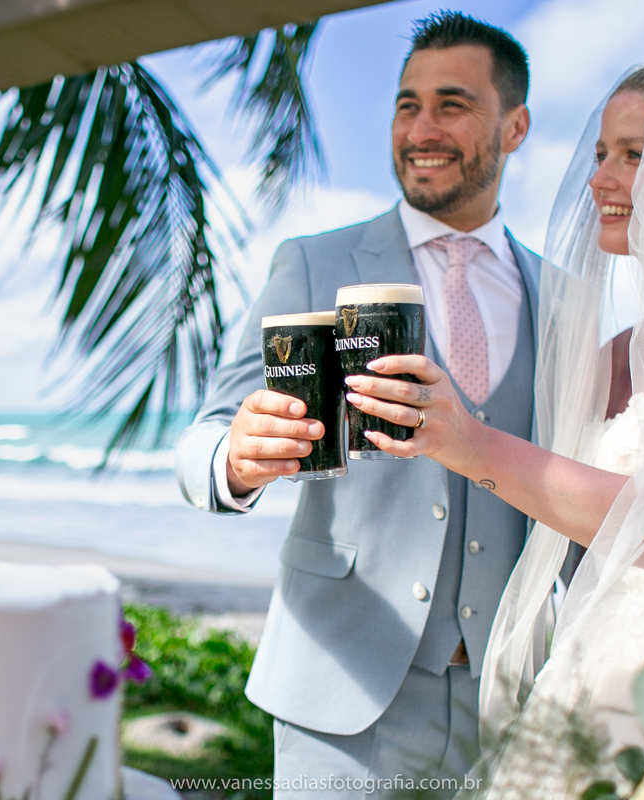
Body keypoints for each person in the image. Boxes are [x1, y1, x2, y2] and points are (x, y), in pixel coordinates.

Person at [346, 30, 644, 782]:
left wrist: (474, 445)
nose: (600, 178)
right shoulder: (618, 354)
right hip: (589, 677)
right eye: (603, 152)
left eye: (635, 156)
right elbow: (575, 540)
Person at [176, 11, 548, 798]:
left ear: (514, 126)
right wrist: (235, 460)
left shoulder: (561, 296)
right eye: (407, 105)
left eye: (452, 105)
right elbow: (205, 436)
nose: (421, 129)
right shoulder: (315, 262)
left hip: (511, 701)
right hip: (341, 693)